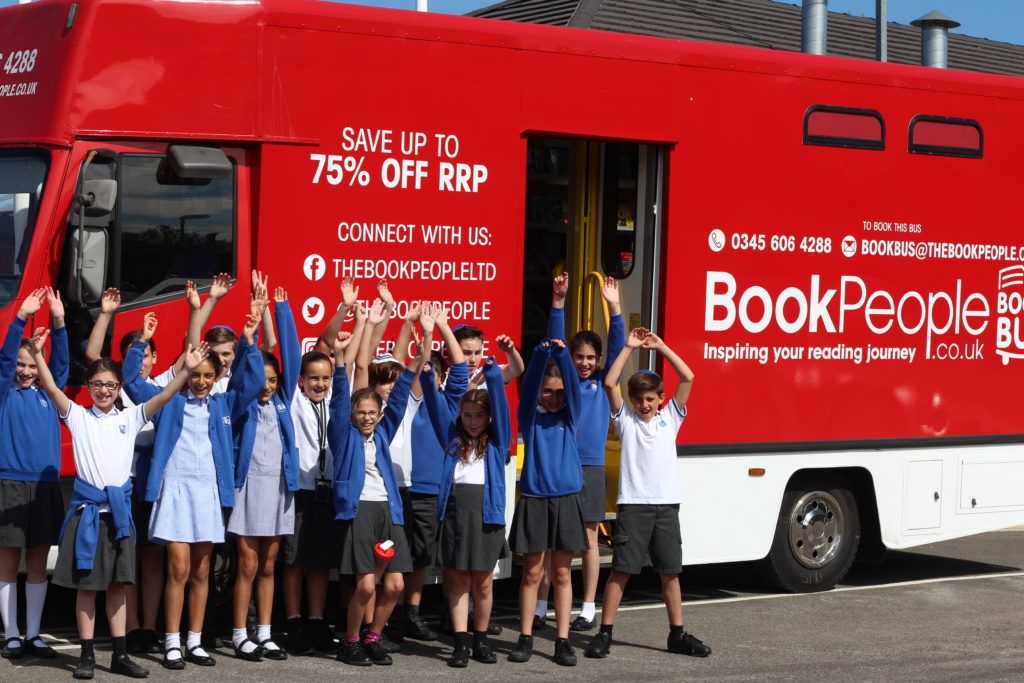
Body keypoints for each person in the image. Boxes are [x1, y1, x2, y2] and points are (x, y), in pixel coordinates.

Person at [36, 325, 205, 680]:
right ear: (89, 388)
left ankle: (119, 654)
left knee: (118, 587)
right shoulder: (78, 416)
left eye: (111, 385)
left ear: (119, 388)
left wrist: (187, 370)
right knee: (87, 588)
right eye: (97, 384)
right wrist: (38, 354)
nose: (104, 391)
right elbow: (51, 387)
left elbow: (163, 397)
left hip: (119, 515)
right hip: (87, 517)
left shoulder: (130, 416)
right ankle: (84, 656)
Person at [122, 312, 264, 669]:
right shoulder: (169, 402)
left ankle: (194, 642)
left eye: (207, 376)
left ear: (217, 378)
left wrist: (250, 341)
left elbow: (255, 381)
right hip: (175, 493)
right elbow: (131, 383)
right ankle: (171, 642)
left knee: (203, 571)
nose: (200, 381)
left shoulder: (223, 403)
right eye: (195, 374)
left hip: (209, 494)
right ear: (186, 375)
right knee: (178, 569)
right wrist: (142, 342)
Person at [585, 328, 710, 659]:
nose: (644, 405)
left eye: (650, 399)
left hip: (666, 507)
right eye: (638, 399)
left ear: (660, 399)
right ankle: (605, 633)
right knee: (622, 571)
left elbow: (689, 377)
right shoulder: (625, 420)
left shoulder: (671, 417)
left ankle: (677, 634)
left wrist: (662, 347)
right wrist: (628, 348)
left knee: (670, 572)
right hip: (634, 507)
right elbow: (610, 384)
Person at [84, 287, 183, 655]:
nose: (139, 361)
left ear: (155, 359)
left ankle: (148, 626)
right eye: (132, 354)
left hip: (154, 483)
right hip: (123, 485)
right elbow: (93, 355)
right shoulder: (114, 389)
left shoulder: (160, 387)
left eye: (145, 354)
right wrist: (107, 314)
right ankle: (129, 626)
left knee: (152, 556)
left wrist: (202, 304)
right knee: (127, 557)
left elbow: (190, 353)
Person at [419, 307, 510, 668]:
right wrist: (427, 377)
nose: (472, 421)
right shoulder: (451, 438)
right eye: (467, 415)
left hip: (485, 514)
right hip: (456, 513)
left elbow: (500, 406)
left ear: (489, 418)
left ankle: (481, 639)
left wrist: (491, 373)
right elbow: (436, 398)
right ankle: (459, 643)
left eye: (479, 416)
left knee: (483, 583)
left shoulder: (498, 442)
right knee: (456, 581)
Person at [328, 329, 418, 667]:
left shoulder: (382, 432)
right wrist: (340, 362)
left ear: (380, 417)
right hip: (359, 511)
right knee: (365, 587)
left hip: (389, 511)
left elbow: (398, 399)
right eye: (361, 412)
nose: (367, 417)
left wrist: (418, 358)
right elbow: (339, 401)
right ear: (353, 415)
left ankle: (372, 637)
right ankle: (350, 642)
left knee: (394, 586)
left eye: (372, 413)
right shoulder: (343, 434)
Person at [544, 272, 625, 631]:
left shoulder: (602, 382)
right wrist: (557, 303)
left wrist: (614, 307)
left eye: (591, 357)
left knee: (589, 538)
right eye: (579, 356)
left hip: (590, 468)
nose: (584, 363)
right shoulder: (564, 381)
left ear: (600, 359)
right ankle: (540, 607)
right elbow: (552, 343)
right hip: (562, 466)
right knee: (552, 542)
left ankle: (588, 607)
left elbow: (621, 343)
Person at [281, 286, 358, 656]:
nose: (319, 384)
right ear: (300, 380)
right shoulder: (295, 398)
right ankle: (294, 622)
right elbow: (319, 342)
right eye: (313, 378)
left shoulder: (333, 399)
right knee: (295, 558)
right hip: (301, 489)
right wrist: (343, 308)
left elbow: (335, 359)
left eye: (325, 379)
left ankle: (315, 621)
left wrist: (339, 360)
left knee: (319, 562)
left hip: (327, 492)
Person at [227, 287, 301, 661]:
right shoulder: (242, 404)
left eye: (273, 380)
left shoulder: (284, 402)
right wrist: (248, 339)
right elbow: (243, 375)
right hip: (247, 487)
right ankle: (240, 633)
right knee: (248, 563)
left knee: (270, 564)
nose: (267, 386)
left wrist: (282, 309)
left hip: (279, 488)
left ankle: (265, 632)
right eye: (263, 380)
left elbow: (291, 354)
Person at [387, 303, 468, 642]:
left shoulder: (452, 402)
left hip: (437, 491)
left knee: (422, 558)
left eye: (433, 372)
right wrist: (416, 327)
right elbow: (394, 361)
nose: (427, 376)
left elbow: (460, 368)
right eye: (422, 370)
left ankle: (414, 615)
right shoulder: (408, 398)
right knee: (399, 556)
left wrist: (443, 328)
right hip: (407, 488)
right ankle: (394, 617)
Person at [508, 338, 585, 666]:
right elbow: (527, 391)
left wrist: (564, 355)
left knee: (563, 574)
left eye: (559, 392)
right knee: (532, 573)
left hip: (566, 501)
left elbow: (573, 385)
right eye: (547, 391)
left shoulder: (571, 417)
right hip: (536, 500)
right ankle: (525, 638)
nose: (553, 397)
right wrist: (540, 354)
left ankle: (562, 640)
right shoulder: (531, 418)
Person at [0, 287, 67, 661]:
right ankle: (11, 634)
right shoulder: (4, 392)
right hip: (8, 481)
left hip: (45, 486)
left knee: (39, 564)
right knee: (9, 562)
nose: (25, 371)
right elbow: (5, 358)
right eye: (21, 365)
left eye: (31, 364)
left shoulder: (48, 393)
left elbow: (58, 368)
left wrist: (58, 322)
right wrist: (22, 316)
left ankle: (34, 634)